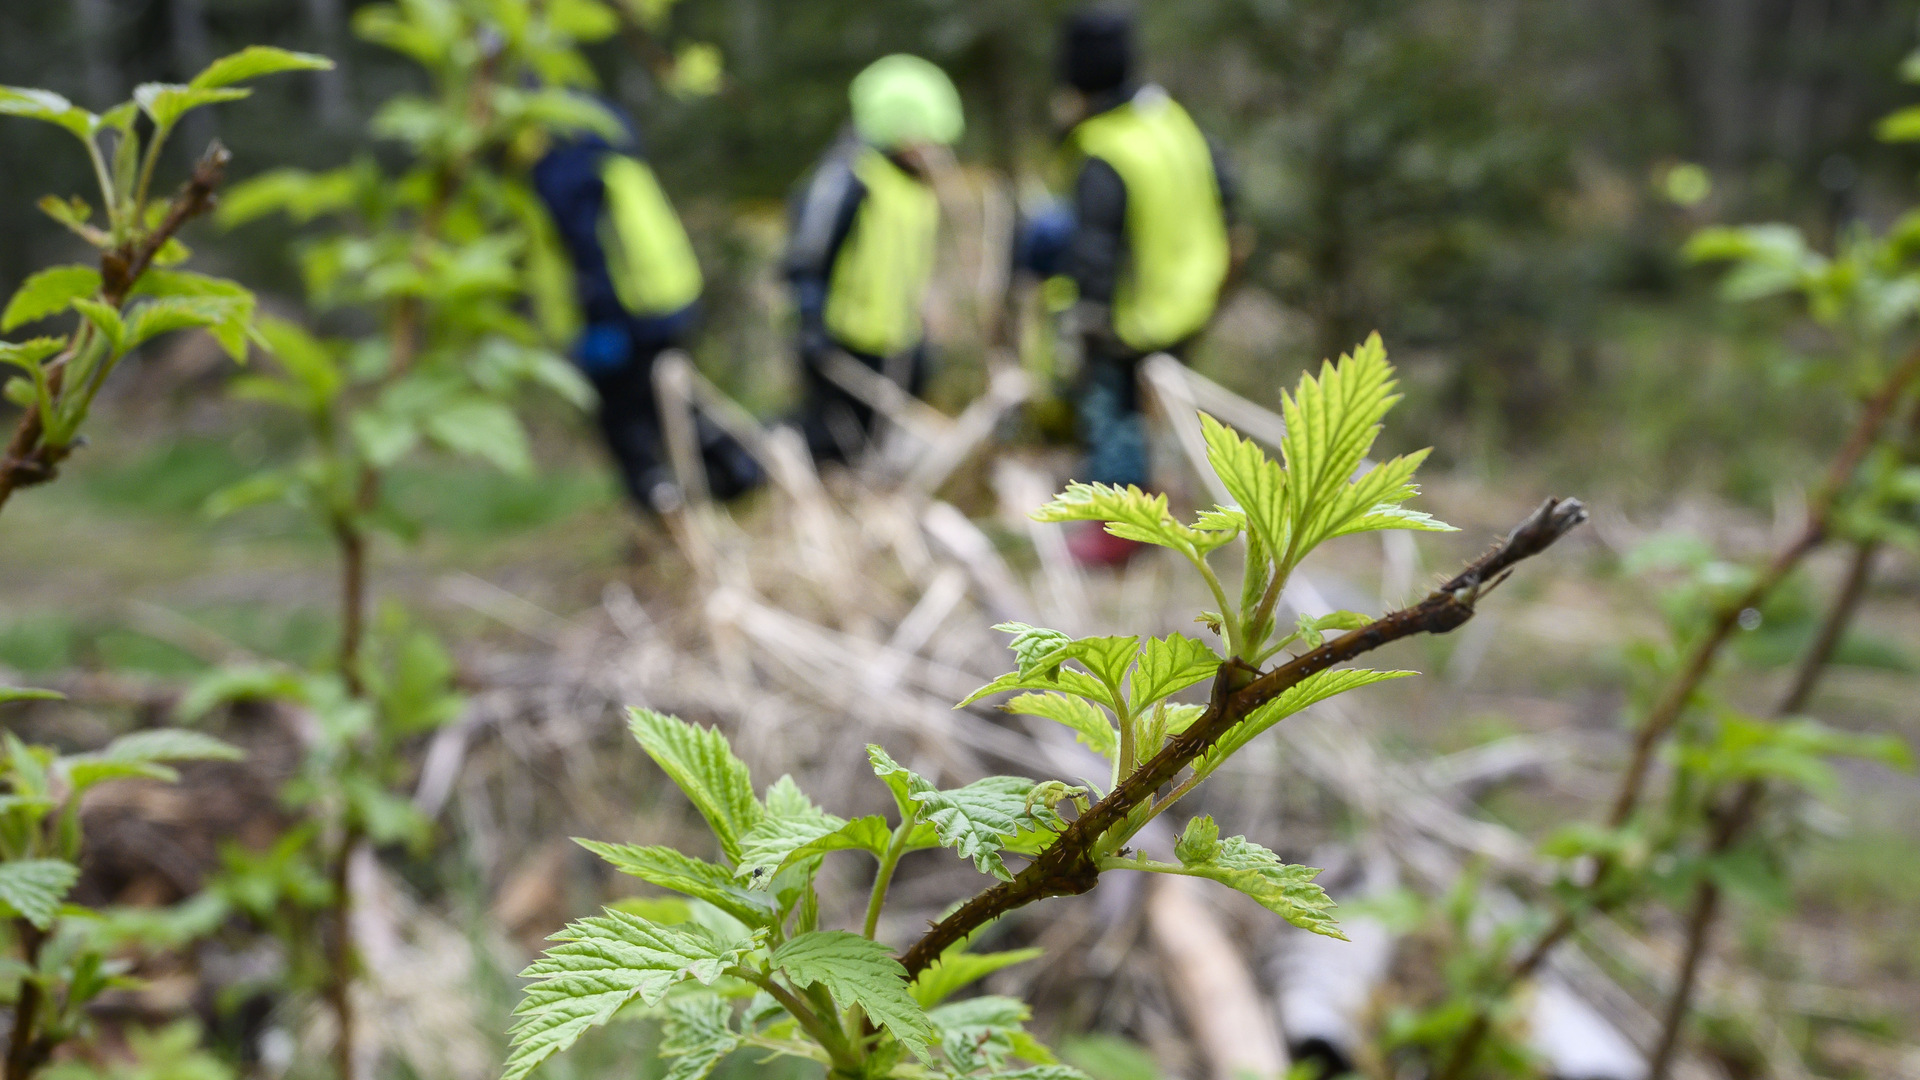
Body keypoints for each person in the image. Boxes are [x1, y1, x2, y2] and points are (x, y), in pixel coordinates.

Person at [1047, 6, 1238, 565]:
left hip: (1131, 318)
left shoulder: (1105, 147)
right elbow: (1226, 191)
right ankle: (1171, 516)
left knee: (1115, 417)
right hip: (1187, 302)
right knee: (1165, 414)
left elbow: (1096, 248)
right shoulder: (1171, 118)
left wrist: (1087, 319)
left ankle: (1117, 530)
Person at [530, 111, 760, 515]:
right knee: (676, 399)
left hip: (624, 316)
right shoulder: (607, 144)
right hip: (666, 297)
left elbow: (589, 247)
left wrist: (600, 318)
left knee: (629, 419)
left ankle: (672, 499)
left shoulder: (564, 168)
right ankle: (734, 474)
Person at [783, 54, 964, 463]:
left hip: (896, 345)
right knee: (834, 446)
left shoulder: (915, 187)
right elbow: (808, 254)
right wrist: (811, 326)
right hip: (842, 346)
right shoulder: (848, 176)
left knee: (881, 450)